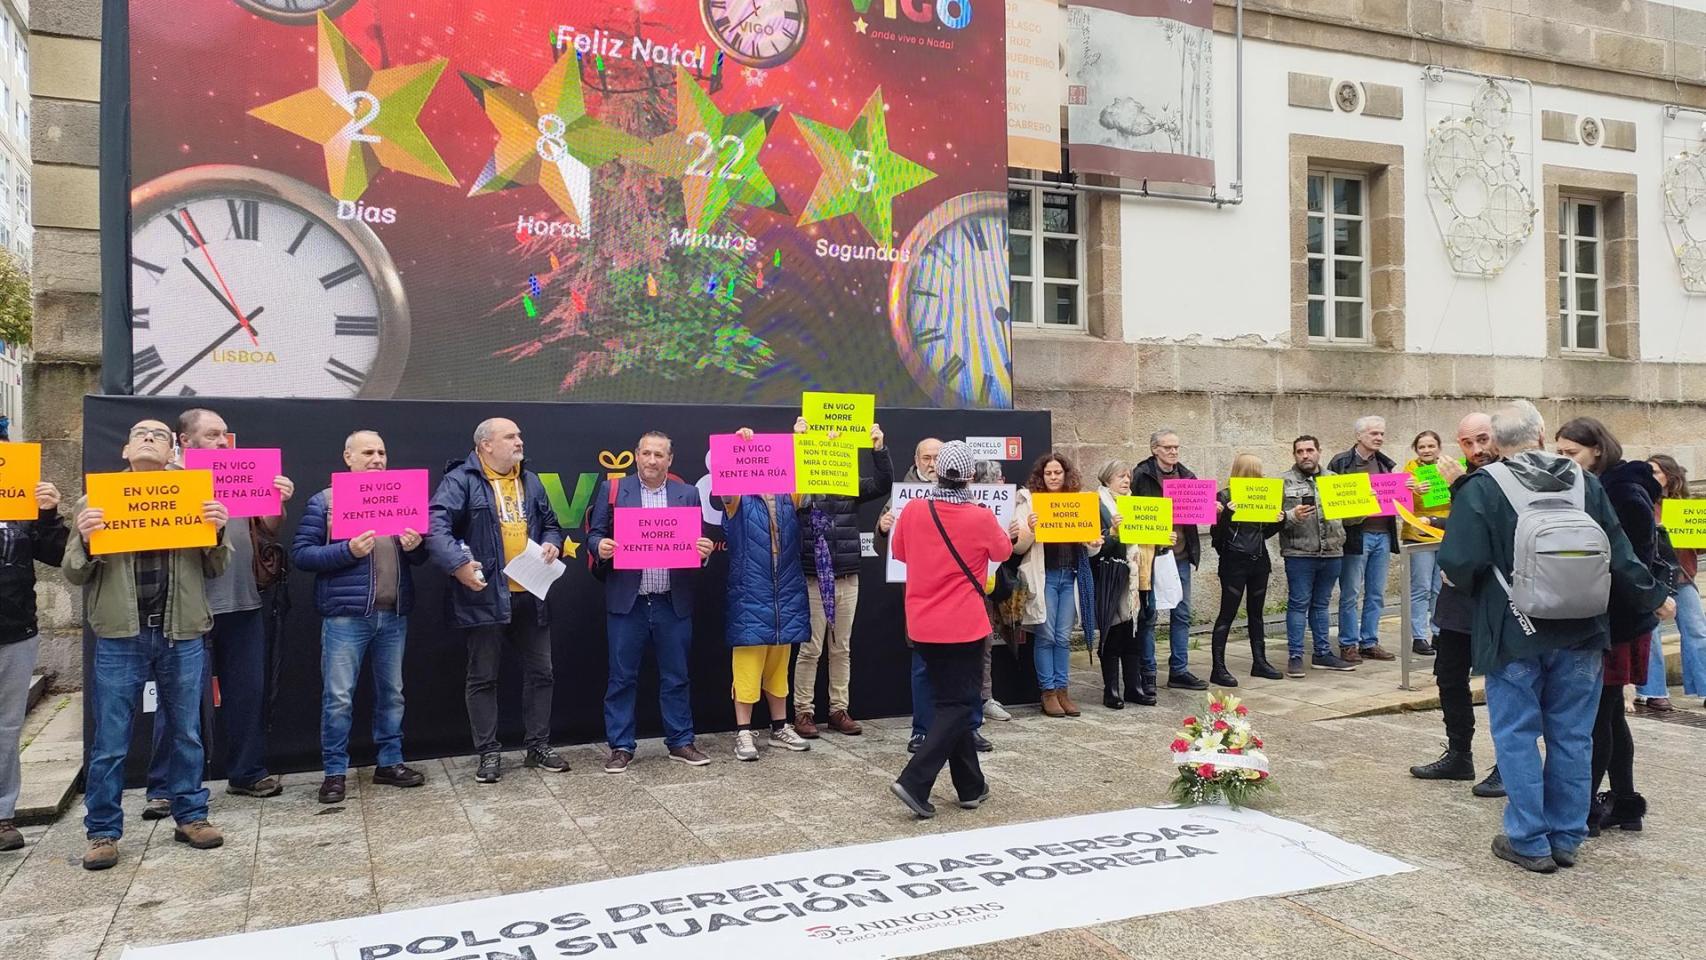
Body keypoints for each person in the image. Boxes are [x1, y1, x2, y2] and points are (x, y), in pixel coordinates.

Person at [1440, 401, 1672, 873]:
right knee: (1573, 734)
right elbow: (1620, 553)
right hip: (1583, 627)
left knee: (1517, 734)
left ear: (1496, 443)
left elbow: (1459, 562)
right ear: (1542, 434)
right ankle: (1567, 835)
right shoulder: (1583, 482)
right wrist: (1654, 597)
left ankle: (1528, 838)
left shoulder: (1483, 488)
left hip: (1514, 629)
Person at [65, 419, 234, 870]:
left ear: (172, 451)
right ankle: (102, 832)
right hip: (122, 634)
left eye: (158, 435)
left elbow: (218, 567)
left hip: (180, 631)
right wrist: (85, 539)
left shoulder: (196, 498)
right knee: (111, 740)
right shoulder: (94, 501)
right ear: (124, 450)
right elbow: (73, 572)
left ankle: (191, 816)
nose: (148, 438)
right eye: (139, 433)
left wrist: (218, 530)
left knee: (186, 732)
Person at [139, 409, 294, 821]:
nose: (222, 441)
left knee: (247, 695)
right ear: (184, 441)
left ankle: (246, 772)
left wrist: (276, 500)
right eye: (211, 435)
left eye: (225, 434)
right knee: (178, 702)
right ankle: (165, 787)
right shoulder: (165, 481)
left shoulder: (244, 472)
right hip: (188, 609)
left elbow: (271, 527)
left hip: (243, 601)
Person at [291, 430, 429, 804]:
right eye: (368, 452)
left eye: (382, 452)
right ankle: (335, 772)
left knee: (393, 694)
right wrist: (346, 551)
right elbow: (302, 555)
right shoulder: (326, 502)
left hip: (393, 615)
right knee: (338, 697)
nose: (377, 459)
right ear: (347, 457)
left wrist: (417, 547)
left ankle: (390, 762)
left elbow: (419, 557)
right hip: (345, 618)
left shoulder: (403, 497)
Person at [427, 417, 568, 784]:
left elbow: (552, 523)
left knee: (542, 674)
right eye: (511, 436)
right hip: (485, 595)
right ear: (485, 445)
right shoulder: (461, 480)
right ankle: (488, 753)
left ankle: (538, 746)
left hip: (531, 592)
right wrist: (457, 564)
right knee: (483, 678)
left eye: (519, 434)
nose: (519, 441)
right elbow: (436, 525)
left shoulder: (530, 480)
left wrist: (552, 540)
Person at [1552, 416, 1672, 837]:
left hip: (1616, 620)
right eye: (1560, 453)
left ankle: (1585, 808)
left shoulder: (1623, 491)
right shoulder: (1593, 485)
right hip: (1607, 615)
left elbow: (1631, 559)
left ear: (1597, 450)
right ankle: (1623, 801)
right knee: (1609, 714)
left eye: (1572, 453)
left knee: (1601, 713)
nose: (1564, 461)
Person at [889, 442, 1012, 819]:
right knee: (960, 706)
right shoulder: (978, 516)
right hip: (963, 625)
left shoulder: (913, 510)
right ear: (970, 477)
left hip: (923, 624)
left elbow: (900, 552)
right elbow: (1003, 552)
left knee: (949, 704)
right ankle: (914, 781)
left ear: (936, 473)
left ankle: (971, 787)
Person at [587, 431, 715, 772]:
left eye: (659, 455)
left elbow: (697, 543)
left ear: (670, 460)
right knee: (621, 678)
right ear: (636, 456)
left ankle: (680, 741)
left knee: (676, 676)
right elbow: (594, 534)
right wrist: (599, 547)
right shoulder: (614, 490)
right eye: (646, 453)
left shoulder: (687, 495)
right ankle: (621, 747)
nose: (652, 460)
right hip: (628, 602)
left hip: (672, 602)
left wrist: (703, 553)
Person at [1409, 413, 1503, 798]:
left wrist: (1458, 487)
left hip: (1496, 597)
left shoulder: (1507, 475)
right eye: (1467, 443)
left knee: (1504, 684)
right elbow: (1465, 523)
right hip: (1457, 596)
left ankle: (1509, 764)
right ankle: (1459, 754)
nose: (1477, 449)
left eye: (1483, 439)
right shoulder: (1461, 476)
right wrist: (1432, 518)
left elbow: (1494, 524)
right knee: (1448, 674)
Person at [790, 417, 894, 739]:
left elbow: (883, 483)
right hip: (813, 577)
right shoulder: (802, 486)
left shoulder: (849, 483)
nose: (829, 453)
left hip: (847, 576)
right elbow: (786, 483)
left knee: (841, 648)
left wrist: (879, 448)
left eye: (835, 448)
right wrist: (799, 443)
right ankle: (803, 713)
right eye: (822, 449)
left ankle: (838, 710)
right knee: (810, 649)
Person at [722, 427, 813, 761]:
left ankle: (779, 727)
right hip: (750, 592)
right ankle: (744, 734)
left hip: (786, 591)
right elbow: (727, 479)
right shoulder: (738, 499)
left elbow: (809, 468)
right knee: (746, 667)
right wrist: (737, 444)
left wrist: (802, 439)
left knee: (778, 666)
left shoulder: (791, 495)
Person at [0, 480, 68, 852]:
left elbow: (57, 555)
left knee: (6, 728)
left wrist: (47, 514)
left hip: (14, 630)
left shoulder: (19, 495)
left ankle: (2, 815)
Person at [1024, 451, 1101, 715]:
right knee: (1045, 637)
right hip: (1045, 576)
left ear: (1066, 475)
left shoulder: (1078, 503)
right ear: (1041, 477)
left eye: (1058, 472)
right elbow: (1018, 545)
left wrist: (1093, 544)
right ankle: (1047, 692)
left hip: (1070, 576)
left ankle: (1062, 690)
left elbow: (1089, 547)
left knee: (1063, 637)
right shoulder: (1031, 502)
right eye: (1048, 473)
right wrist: (1029, 528)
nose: (1054, 477)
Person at [1132, 429, 1210, 690]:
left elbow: (1197, 511)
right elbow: (1133, 514)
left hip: (1181, 556)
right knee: (1149, 614)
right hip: (1152, 556)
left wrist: (1212, 507)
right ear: (1155, 449)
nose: (1174, 452)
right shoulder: (1141, 475)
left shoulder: (1187, 476)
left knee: (1182, 613)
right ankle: (1148, 672)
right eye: (1168, 448)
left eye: (1176, 447)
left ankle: (1179, 669)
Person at [1280, 436, 1353, 675]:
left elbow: (1351, 519)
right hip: (1299, 552)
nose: (1305, 455)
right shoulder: (1284, 482)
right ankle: (1295, 656)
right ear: (1294, 455)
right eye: (1299, 451)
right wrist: (1292, 516)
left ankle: (1322, 653)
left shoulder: (1335, 480)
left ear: (1319, 452)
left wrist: (1363, 507)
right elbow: (1272, 519)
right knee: (1298, 603)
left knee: (1322, 605)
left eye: (1309, 450)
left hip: (1332, 551)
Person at [1329, 416, 1398, 663]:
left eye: (1381, 434)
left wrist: (1406, 492)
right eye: (1374, 434)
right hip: (1355, 536)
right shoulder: (1341, 463)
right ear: (1359, 436)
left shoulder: (1385, 464)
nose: (1379, 438)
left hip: (1383, 535)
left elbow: (1394, 497)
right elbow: (1330, 498)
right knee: (1350, 592)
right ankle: (1349, 643)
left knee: (1377, 593)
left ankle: (1369, 641)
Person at [1640, 455, 1706, 710]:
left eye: (1656, 472)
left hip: (1683, 577)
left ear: (1670, 475)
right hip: (1653, 578)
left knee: (1697, 630)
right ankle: (1654, 691)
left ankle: (1703, 687)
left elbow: (1698, 550)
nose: (1651, 476)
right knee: (1652, 633)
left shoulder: (1684, 506)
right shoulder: (1641, 502)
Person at [1210, 454, 1283, 684]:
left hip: (1259, 559)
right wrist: (1227, 515)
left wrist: (1279, 520)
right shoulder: (1224, 496)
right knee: (1228, 613)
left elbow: (1265, 532)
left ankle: (1259, 662)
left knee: (1257, 613)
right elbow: (1216, 536)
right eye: (1258, 470)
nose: (1262, 474)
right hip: (1234, 561)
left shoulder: (1264, 494)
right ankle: (1218, 667)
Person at [1094, 461, 1153, 707]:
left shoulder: (1136, 504)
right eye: (1121, 476)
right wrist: (1113, 533)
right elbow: (1094, 545)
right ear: (1108, 479)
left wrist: (1162, 539)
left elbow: (1147, 536)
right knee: (1114, 631)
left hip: (1137, 574)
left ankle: (1133, 686)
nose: (1127, 480)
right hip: (1111, 574)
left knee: (1134, 632)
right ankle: (1111, 689)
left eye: (1128, 476)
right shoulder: (1098, 505)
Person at [1403, 430, 1449, 657]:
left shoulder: (1449, 468)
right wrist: (1412, 491)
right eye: (1422, 447)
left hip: (1443, 533)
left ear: (1439, 448)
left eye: (1431, 446)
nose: (1427, 450)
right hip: (1418, 534)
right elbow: (1400, 504)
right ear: (1416, 450)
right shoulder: (1409, 471)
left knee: (1439, 588)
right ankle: (1419, 636)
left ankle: (1438, 632)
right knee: (1420, 587)